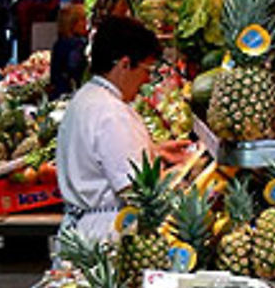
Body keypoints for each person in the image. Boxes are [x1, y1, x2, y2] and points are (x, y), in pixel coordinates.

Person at [55, 15, 190, 243]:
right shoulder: (111, 112)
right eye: (146, 70)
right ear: (125, 64)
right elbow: (135, 189)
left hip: (85, 228)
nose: (146, 80)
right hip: (106, 233)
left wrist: (154, 151)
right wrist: (179, 176)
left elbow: (102, 158)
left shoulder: (86, 97)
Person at [49, 2, 88, 98]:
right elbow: (76, 72)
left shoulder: (59, 43)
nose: (86, 24)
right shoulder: (78, 45)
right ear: (72, 24)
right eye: (83, 20)